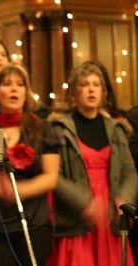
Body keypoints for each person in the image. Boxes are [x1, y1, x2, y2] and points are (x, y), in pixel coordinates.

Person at [0, 63, 59, 265]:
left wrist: (17, 191)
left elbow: (51, 177)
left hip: (33, 222)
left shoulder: (42, 129)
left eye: (20, 85)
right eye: (7, 84)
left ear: (26, 93)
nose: (14, 89)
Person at [50, 63, 137, 266]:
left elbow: (130, 172)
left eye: (96, 84)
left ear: (103, 92)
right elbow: (54, 176)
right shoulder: (60, 129)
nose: (91, 89)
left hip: (111, 216)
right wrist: (84, 203)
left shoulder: (116, 129)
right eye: (85, 84)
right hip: (79, 218)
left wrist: (124, 201)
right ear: (74, 92)